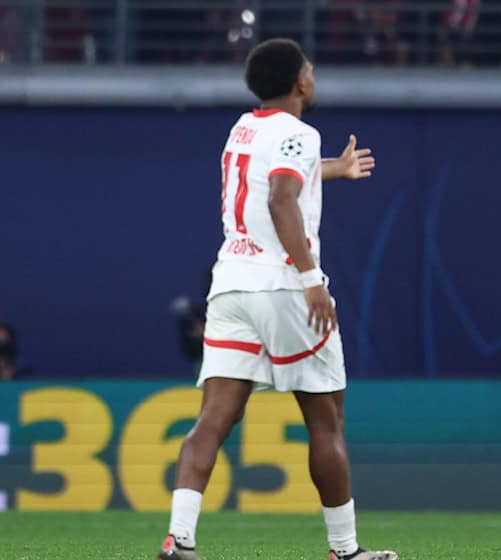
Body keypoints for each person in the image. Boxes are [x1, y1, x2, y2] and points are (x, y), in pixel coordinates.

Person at [156, 38, 394, 560]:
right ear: (299, 82)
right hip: (284, 286)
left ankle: (180, 539)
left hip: (231, 285)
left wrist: (335, 168)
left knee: (213, 419)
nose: (312, 76)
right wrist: (312, 279)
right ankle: (345, 550)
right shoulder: (299, 132)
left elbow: (274, 177)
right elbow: (281, 196)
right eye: (309, 69)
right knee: (326, 418)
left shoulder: (243, 128)